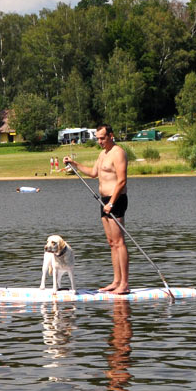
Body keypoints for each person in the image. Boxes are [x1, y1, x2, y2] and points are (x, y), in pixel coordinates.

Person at [64, 124, 129, 294]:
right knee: (111, 243)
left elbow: (122, 181)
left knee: (119, 242)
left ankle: (124, 284)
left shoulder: (118, 152)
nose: (99, 141)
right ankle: (116, 281)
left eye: (102, 138)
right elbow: (93, 173)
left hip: (116, 200)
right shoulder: (102, 154)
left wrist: (112, 203)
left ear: (111, 135)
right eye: (98, 138)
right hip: (104, 201)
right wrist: (74, 163)